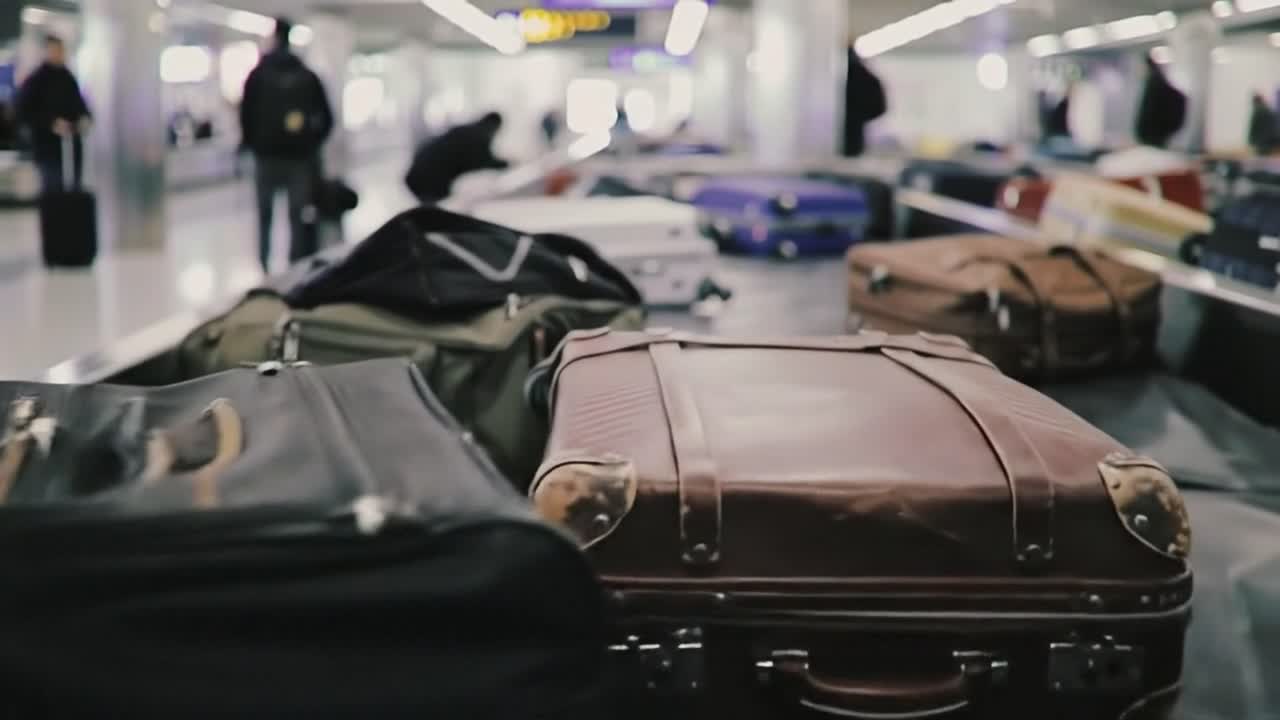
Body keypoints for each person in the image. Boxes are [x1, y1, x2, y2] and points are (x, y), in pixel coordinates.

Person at [239, 17, 334, 271]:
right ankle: (295, 266)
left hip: (266, 156)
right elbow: (327, 117)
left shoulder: (257, 75)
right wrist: (311, 144)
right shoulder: (306, 75)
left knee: (264, 214)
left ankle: (264, 265)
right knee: (297, 215)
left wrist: (249, 144)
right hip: (298, 158)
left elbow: (245, 115)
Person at [15, 35, 91, 193]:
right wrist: (51, 123)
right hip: (47, 149)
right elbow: (25, 112)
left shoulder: (68, 78)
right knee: (53, 189)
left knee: (72, 190)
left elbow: (79, 106)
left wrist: (85, 118)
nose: (58, 54)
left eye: (61, 50)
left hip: (71, 147)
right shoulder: (36, 80)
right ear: (47, 51)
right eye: (54, 50)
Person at [405, 112, 509, 203]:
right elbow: (481, 161)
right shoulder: (478, 137)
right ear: (494, 126)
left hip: (417, 173)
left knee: (433, 211)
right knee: (433, 214)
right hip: (429, 179)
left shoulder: (464, 130)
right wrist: (507, 164)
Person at [841, 46, 887, 158]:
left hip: (851, 132)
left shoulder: (839, 77)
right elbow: (880, 109)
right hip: (855, 135)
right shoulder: (868, 77)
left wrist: (854, 117)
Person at [1134, 56, 1187, 149]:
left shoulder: (1154, 86)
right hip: (1157, 139)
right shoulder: (1157, 84)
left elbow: (1148, 113)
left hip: (1152, 138)